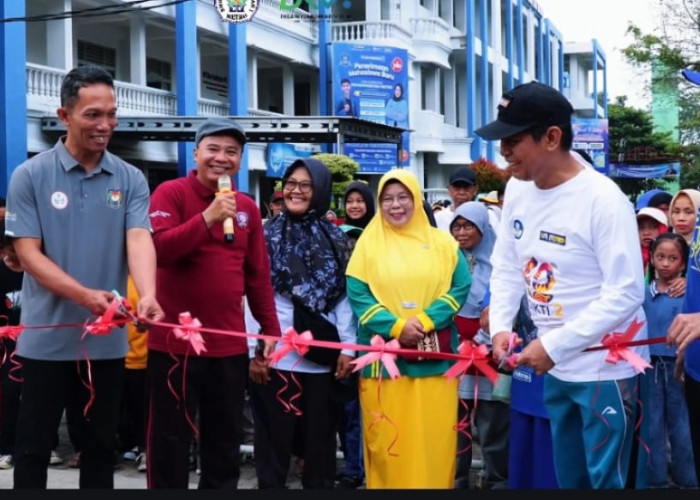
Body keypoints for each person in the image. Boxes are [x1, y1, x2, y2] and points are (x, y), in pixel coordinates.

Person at [477, 81, 648, 489]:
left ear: (552, 137)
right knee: (568, 478)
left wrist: (553, 345)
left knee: (606, 480)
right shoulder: (517, 189)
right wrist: (501, 325)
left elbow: (626, 292)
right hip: (555, 368)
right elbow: (506, 264)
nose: (503, 152)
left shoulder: (603, 200)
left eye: (513, 141)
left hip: (602, 371)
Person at [3, 64, 163, 489]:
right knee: (33, 448)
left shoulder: (129, 178)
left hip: (106, 345)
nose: (106, 124)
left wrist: (147, 293)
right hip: (44, 339)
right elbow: (28, 254)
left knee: (98, 449)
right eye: (93, 114)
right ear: (64, 115)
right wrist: (85, 296)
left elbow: (139, 239)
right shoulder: (31, 175)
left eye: (112, 113)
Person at [146, 117, 281, 489]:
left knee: (223, 443)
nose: (222, 158)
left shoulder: (248, 208)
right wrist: (208, 217)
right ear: (196, 153)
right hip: (174, 345)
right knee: (170, 439)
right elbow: (159, 251)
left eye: (232, 152)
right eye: (213, 149)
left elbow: (257, 274)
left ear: (240, 160)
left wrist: (270, 329)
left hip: (228, 345)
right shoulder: (170, 194)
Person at [345, 169, 471, 488]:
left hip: (435, 364)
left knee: (433, 440)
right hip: (384, 366)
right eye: (387, 199)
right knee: (389, 443)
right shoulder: (368, 244)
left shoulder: (443, 243)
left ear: (417, 199)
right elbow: (358, 294)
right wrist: (398, 326)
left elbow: (460, 287)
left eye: (403, 197)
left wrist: (426, 320)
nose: (395, 205)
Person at [252, 158, 356, 489]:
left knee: (320, 446)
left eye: (305, 185)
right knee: (272, 446)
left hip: (322, 358)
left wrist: (347, 348)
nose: (295, 191)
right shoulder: (264, 235)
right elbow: (252, 294)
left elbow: (343, 297)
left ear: (321, 190)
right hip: (275, 357)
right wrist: (254, 351)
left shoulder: (335, 238)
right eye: (290, 183)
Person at [449, 201, 508, 490]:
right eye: (456, 227)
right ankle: (457, 481)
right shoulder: (446, 260)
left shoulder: (500, 261)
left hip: (490, 353)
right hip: (454, 353)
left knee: (492, 424)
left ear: (483, 227)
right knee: (455, 426)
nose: (461, 233)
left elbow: (508, 299)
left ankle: (495, 481)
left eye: (468, 226)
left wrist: (485, 340)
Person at [642, 233, 697, 489]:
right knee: (652, 423)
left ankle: (688, 479)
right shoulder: (643, 294)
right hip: (649, 365)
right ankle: (656, 479)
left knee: (681, 422)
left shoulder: (687, 294)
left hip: (678, 365)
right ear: (652, 259)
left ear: (684, 263)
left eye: (673, 258)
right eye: (660, 257)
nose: (665, 263)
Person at [0, 213, 23, 471]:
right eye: (10, 249)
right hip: (7, 347)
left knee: (37, 395)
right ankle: (6, 449)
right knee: (9, 392)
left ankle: (46, 445)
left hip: (37, 342)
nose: (16, 254)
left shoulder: (37, 271)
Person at [434, 166, 480, 232]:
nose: (461, 192)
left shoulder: (486, 217)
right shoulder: (438, 218)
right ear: (449, 189)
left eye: (466, 188)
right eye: (457, 188)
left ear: (475, 190)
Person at [636, 207, 668, 278]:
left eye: (653, 227)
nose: (646, 233)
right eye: (641, 228)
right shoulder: (630, 256)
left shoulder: (673, 255)